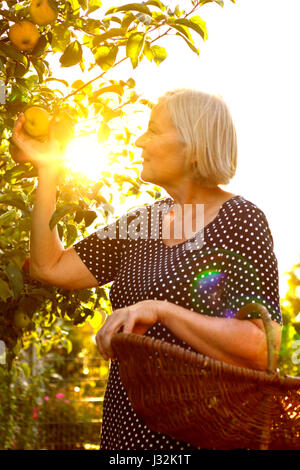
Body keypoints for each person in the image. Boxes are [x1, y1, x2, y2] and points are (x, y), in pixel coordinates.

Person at [12, 89, 282, 450]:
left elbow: (264, 346)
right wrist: (48, 170)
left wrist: (161, 310)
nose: (140, 140)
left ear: (193, 141)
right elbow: (50, 267)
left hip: (201, 439)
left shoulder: (240, 220)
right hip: (125, 437)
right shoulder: (146, 221)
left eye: (153, 131)